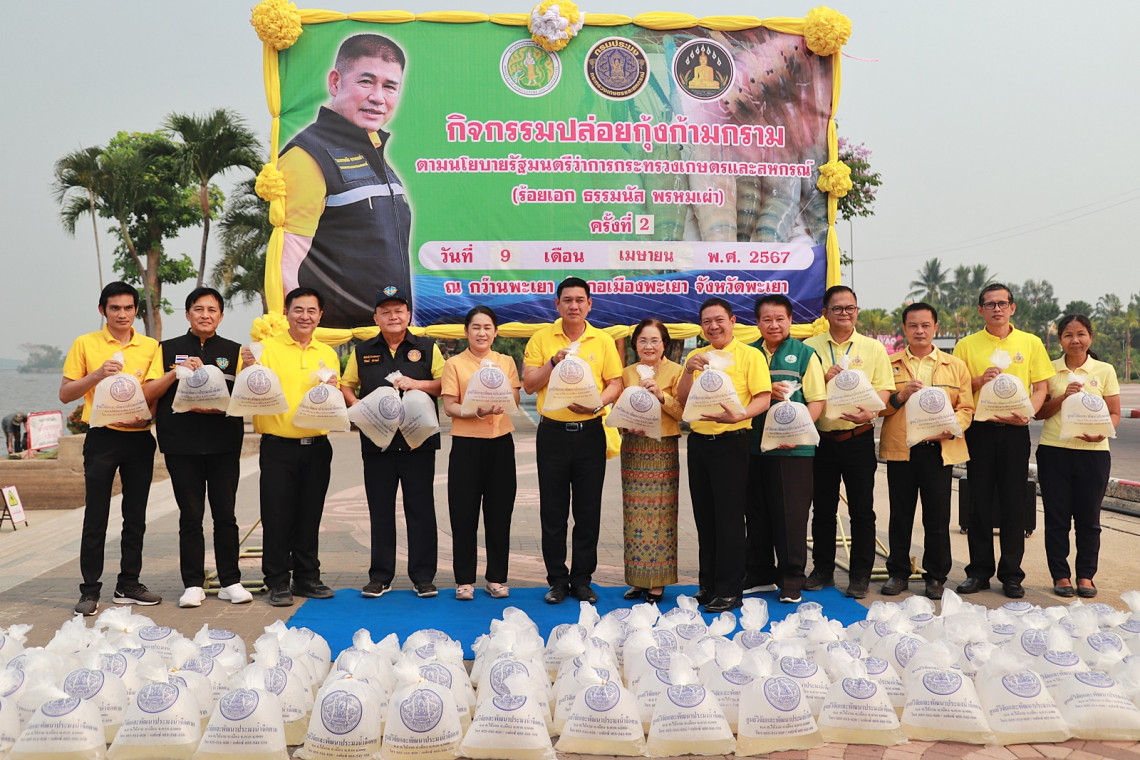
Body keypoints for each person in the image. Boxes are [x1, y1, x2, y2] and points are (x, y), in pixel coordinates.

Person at [278, 33, 411, 329]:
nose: (378, 97)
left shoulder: (374, 150)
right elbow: (287, 264)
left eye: (390, 86)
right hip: (334, 340)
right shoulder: (307, 155)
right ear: (335, 82)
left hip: (384, 339)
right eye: (366, 82)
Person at [142, 287, 252, 608]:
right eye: (199, 309)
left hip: (223, 444)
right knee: (190, 516)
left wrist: (252, 369)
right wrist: (175, 373)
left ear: (221, 316)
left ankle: (230, 581)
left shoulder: (234, 351)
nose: (205, 315)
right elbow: (149, 391)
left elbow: (247, 398)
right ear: (188, 314)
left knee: (225, 515)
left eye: (212, 310)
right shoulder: (166, 349)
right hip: (181, 444)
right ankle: (192, 584)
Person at [60, 281, 161, 616]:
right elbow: (66, 394)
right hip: (102, 438)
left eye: (128, 308)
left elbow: (154, 392)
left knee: (135, 516)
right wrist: (97, 375)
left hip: (139, 439)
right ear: (102, 310)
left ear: (136, 311)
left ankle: (129, 584)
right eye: (115, 308)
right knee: (96, 515)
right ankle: (90, 591)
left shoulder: (151, 347)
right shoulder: (85, 343)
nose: (122, 314)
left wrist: (148, 415)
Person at [523, 277, 623, 605]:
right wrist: (553, 362)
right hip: (552, 434)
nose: (574, 306)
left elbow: (615, 384)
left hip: (590, 432)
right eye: (567, 300)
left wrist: (597, 404)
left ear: (589, 304)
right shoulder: (541, 338)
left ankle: (582, 580)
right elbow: (528, 384)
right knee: (553, 512)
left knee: (588, 510)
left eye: (580, 300)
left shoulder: (603, 340)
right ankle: (556, 580)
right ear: (557, 304)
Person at [953, 283, 1054, 599]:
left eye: (1002, 303)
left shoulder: (1030, 342)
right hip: (980, 431)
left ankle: (1012, 575)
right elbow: (956, 388)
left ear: (1012, 307)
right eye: (990, 304)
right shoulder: (966, 345)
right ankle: (979, 572)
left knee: (1014, 502)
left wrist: (1028, 414)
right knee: (979, 502)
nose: (996, 309)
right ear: (980, 310)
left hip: (1014, 432)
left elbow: (1041, 387)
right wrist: (978, 380)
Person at [341, 287, 443, 599]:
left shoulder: (427, 348)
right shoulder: (362, 351)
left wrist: (418, 384)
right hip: (378, 445)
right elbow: (347, 385)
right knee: (380, 510)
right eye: (385, 312)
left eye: (399, 311)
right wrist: (358, 406)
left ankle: (423, 577)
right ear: (376, 318)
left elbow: (444, 384)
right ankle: (380, 576)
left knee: (421, 510)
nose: (393, 316)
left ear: (408, 315)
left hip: (418, 444)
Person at [242, 287, 341, 607]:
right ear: (286, 312)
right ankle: (277, 581)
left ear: (320, 316)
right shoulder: (266, 349)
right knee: (277, 516)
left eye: (312, 311)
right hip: (278, 447)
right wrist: (247, 366)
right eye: (298, 309)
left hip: (318, 446)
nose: (305, 316)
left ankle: (307, 577)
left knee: (310, 515)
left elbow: (333, 398)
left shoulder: (327, 353)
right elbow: (249, 389)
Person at [676, 297, 772, 613]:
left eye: (719, 320)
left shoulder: (750, 355)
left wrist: (740, 415)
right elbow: (683, 400)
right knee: (705, 517)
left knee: (729, 519)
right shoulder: (697, 357)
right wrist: (687, 371)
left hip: (732, 442)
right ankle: (708, 585)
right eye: (707, 321)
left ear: (732, 321)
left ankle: (730, 590)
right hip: (699, 444)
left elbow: (763, 398)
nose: (713, 326)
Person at [877, 303, 973, 600]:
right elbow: (878, 407)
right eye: (913, 325)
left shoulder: (954, 366)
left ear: (935, 328)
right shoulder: (889, 364)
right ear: (904, 329)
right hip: (903, 450)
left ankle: (936, 577)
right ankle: (898, 573)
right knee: (900, 515)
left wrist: (951, 428)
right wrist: (900, 396)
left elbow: (966, 408)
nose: (919, 331)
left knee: (937, 517)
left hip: (939, 450)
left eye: (925, 325)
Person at [804, 285, 893, 599]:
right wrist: (822, 378)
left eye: (850, 308)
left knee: (862, 510)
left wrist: (872, 412)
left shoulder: (873, 348)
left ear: (857, 311)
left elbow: (885, 388)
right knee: (823, 510)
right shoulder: (810, 347)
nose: (845, 313)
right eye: (837, 308)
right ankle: (822, 570)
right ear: (825, 313)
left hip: (858, 438)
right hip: (821, 440)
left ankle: (860, 576)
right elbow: (802, 390)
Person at [1034, 314, 1120, 599]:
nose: (1075, 340)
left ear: (1090, 337)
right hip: (1054, 452)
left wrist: (1103, 433)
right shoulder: (1049, 370)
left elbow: (1114, 413)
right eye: (1068, 335)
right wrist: (1063, 398)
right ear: (1060, 340)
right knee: (1057, 518)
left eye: (1081, 334)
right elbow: (1038, 412)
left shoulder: (1104, 370)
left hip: (1094, 454)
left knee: (1089, 519)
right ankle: (1060, 575)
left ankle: (1086, 575)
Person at [746, 294, 826, 604]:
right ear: (758, 322)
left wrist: (799, 433)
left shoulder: (805, 354)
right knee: (756, 512)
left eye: (780, 318)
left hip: (793, 450)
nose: (774, 324)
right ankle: (759, 574)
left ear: (791, 321)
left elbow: (817, 400)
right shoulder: (748, 353)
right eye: (767, 319)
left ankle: (791, 578)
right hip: (753, 446)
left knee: (790, 515)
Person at [440, 306, 521, 601]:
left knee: (499, 513)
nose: (481, 333)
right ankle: (464, 580)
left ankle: (496, 578)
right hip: (466, 445)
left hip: (501, 443)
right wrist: (475, 411)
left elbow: (514, 398)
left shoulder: (506, 362)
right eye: (475, 327)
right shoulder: (454, 364)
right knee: (463, 514)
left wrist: (499, 394)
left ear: (496, 332)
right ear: (466, 332)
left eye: (487, 327)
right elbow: (449, 406)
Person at [619, 318, 684, 604]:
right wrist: (625, 426)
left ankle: (657, 582)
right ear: (635, 344)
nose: (648, 346)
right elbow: (618, 410)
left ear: (664, 344)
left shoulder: (676, 371)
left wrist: (660, 395)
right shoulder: (627, 373)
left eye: (654, 340)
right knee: (633, 516)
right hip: (633, 448)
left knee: (661, 515)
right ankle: (637, 579)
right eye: (643, 340)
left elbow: (683, 412)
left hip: (663, 449)